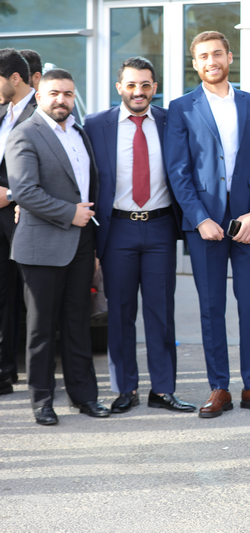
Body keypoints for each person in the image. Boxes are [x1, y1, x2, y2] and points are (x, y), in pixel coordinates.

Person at [166, 31, 250, 418]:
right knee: (211, 307)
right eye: (203, 56)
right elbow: (178, 171)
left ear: (230, 57)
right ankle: (219, 388)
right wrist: (199, 219)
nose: (211, 60)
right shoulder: (181, 108)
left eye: (217, 53)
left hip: (248, 221)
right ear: (195, 64)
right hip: (205, 223)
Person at [84, 57, 195, 414]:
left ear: (154, 87)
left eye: (145, 85)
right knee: (119, 313)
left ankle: (163, 390)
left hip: (160, 226)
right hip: (117, 228)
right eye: (131, 85)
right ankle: (125, 389)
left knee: (161, 311)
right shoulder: (95, 125)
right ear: (120, 87)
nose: (138, 91)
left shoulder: (170, 120)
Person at [5, 68, 108, 425]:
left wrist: (91, 238)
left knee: (78, 323)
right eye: (54, 93)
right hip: (41, 245)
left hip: (81, 243)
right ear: (38, 96)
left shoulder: (80, 132)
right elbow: (25, 191)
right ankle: (42, 401)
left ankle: (85, 396)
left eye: (67, 93)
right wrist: (70, 213)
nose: (61, 100)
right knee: (41, 329)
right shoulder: (24, 134)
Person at [0, 48, 36, 395]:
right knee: (2, 295)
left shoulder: (43, 111)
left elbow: (53, 169)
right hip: (0, 218)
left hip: (25, 215)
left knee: (34, 296)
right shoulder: (3, 112)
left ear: (15, 78)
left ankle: (40, 377)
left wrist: (11, 195)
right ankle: (3, 372)